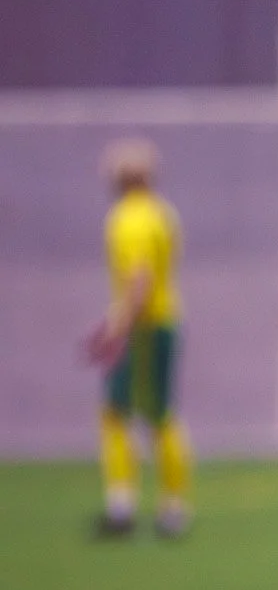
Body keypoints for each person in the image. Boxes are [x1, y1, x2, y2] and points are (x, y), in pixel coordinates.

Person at [85, 138, 194, 538]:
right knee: (153, 413)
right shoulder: (161, 213)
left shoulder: (129, 219)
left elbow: (140, 281)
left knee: (134, 414)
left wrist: (118, 326)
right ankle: (167, 506)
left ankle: (130, 508)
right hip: (160, 320)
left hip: (143, 326)